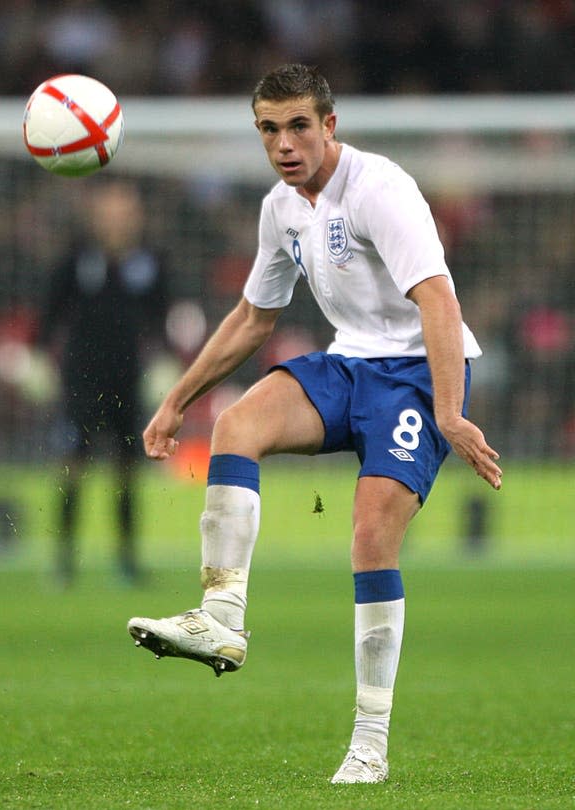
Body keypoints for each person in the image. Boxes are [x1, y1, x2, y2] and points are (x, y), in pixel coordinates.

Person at [127, 64, 502, 784]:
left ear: (330, 125)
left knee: (368, 536)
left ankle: (369, 742)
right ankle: (222, 618)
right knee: (235, 424)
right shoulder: (280, 208)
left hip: (416, 372)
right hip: (350, 363)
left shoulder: (380, 190)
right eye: (269, 129)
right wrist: (177, 399)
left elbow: (438, 301)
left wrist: (448, 412)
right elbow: (251, 319)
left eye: (299, 125)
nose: (285, 143)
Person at [38, 179, 169, 584]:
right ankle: (63, 562)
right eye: (109, 213)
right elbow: (48, 316)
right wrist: (35, 358)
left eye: (124, 213)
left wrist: (165, 362)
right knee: (72, 468)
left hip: (129, 382)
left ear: (136, 218)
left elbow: (163, 321)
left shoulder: (149, 264)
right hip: (79, 380)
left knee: (127, 470)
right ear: (94, 218)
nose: (116, 221)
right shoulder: (77, 261)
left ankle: (127, 560)